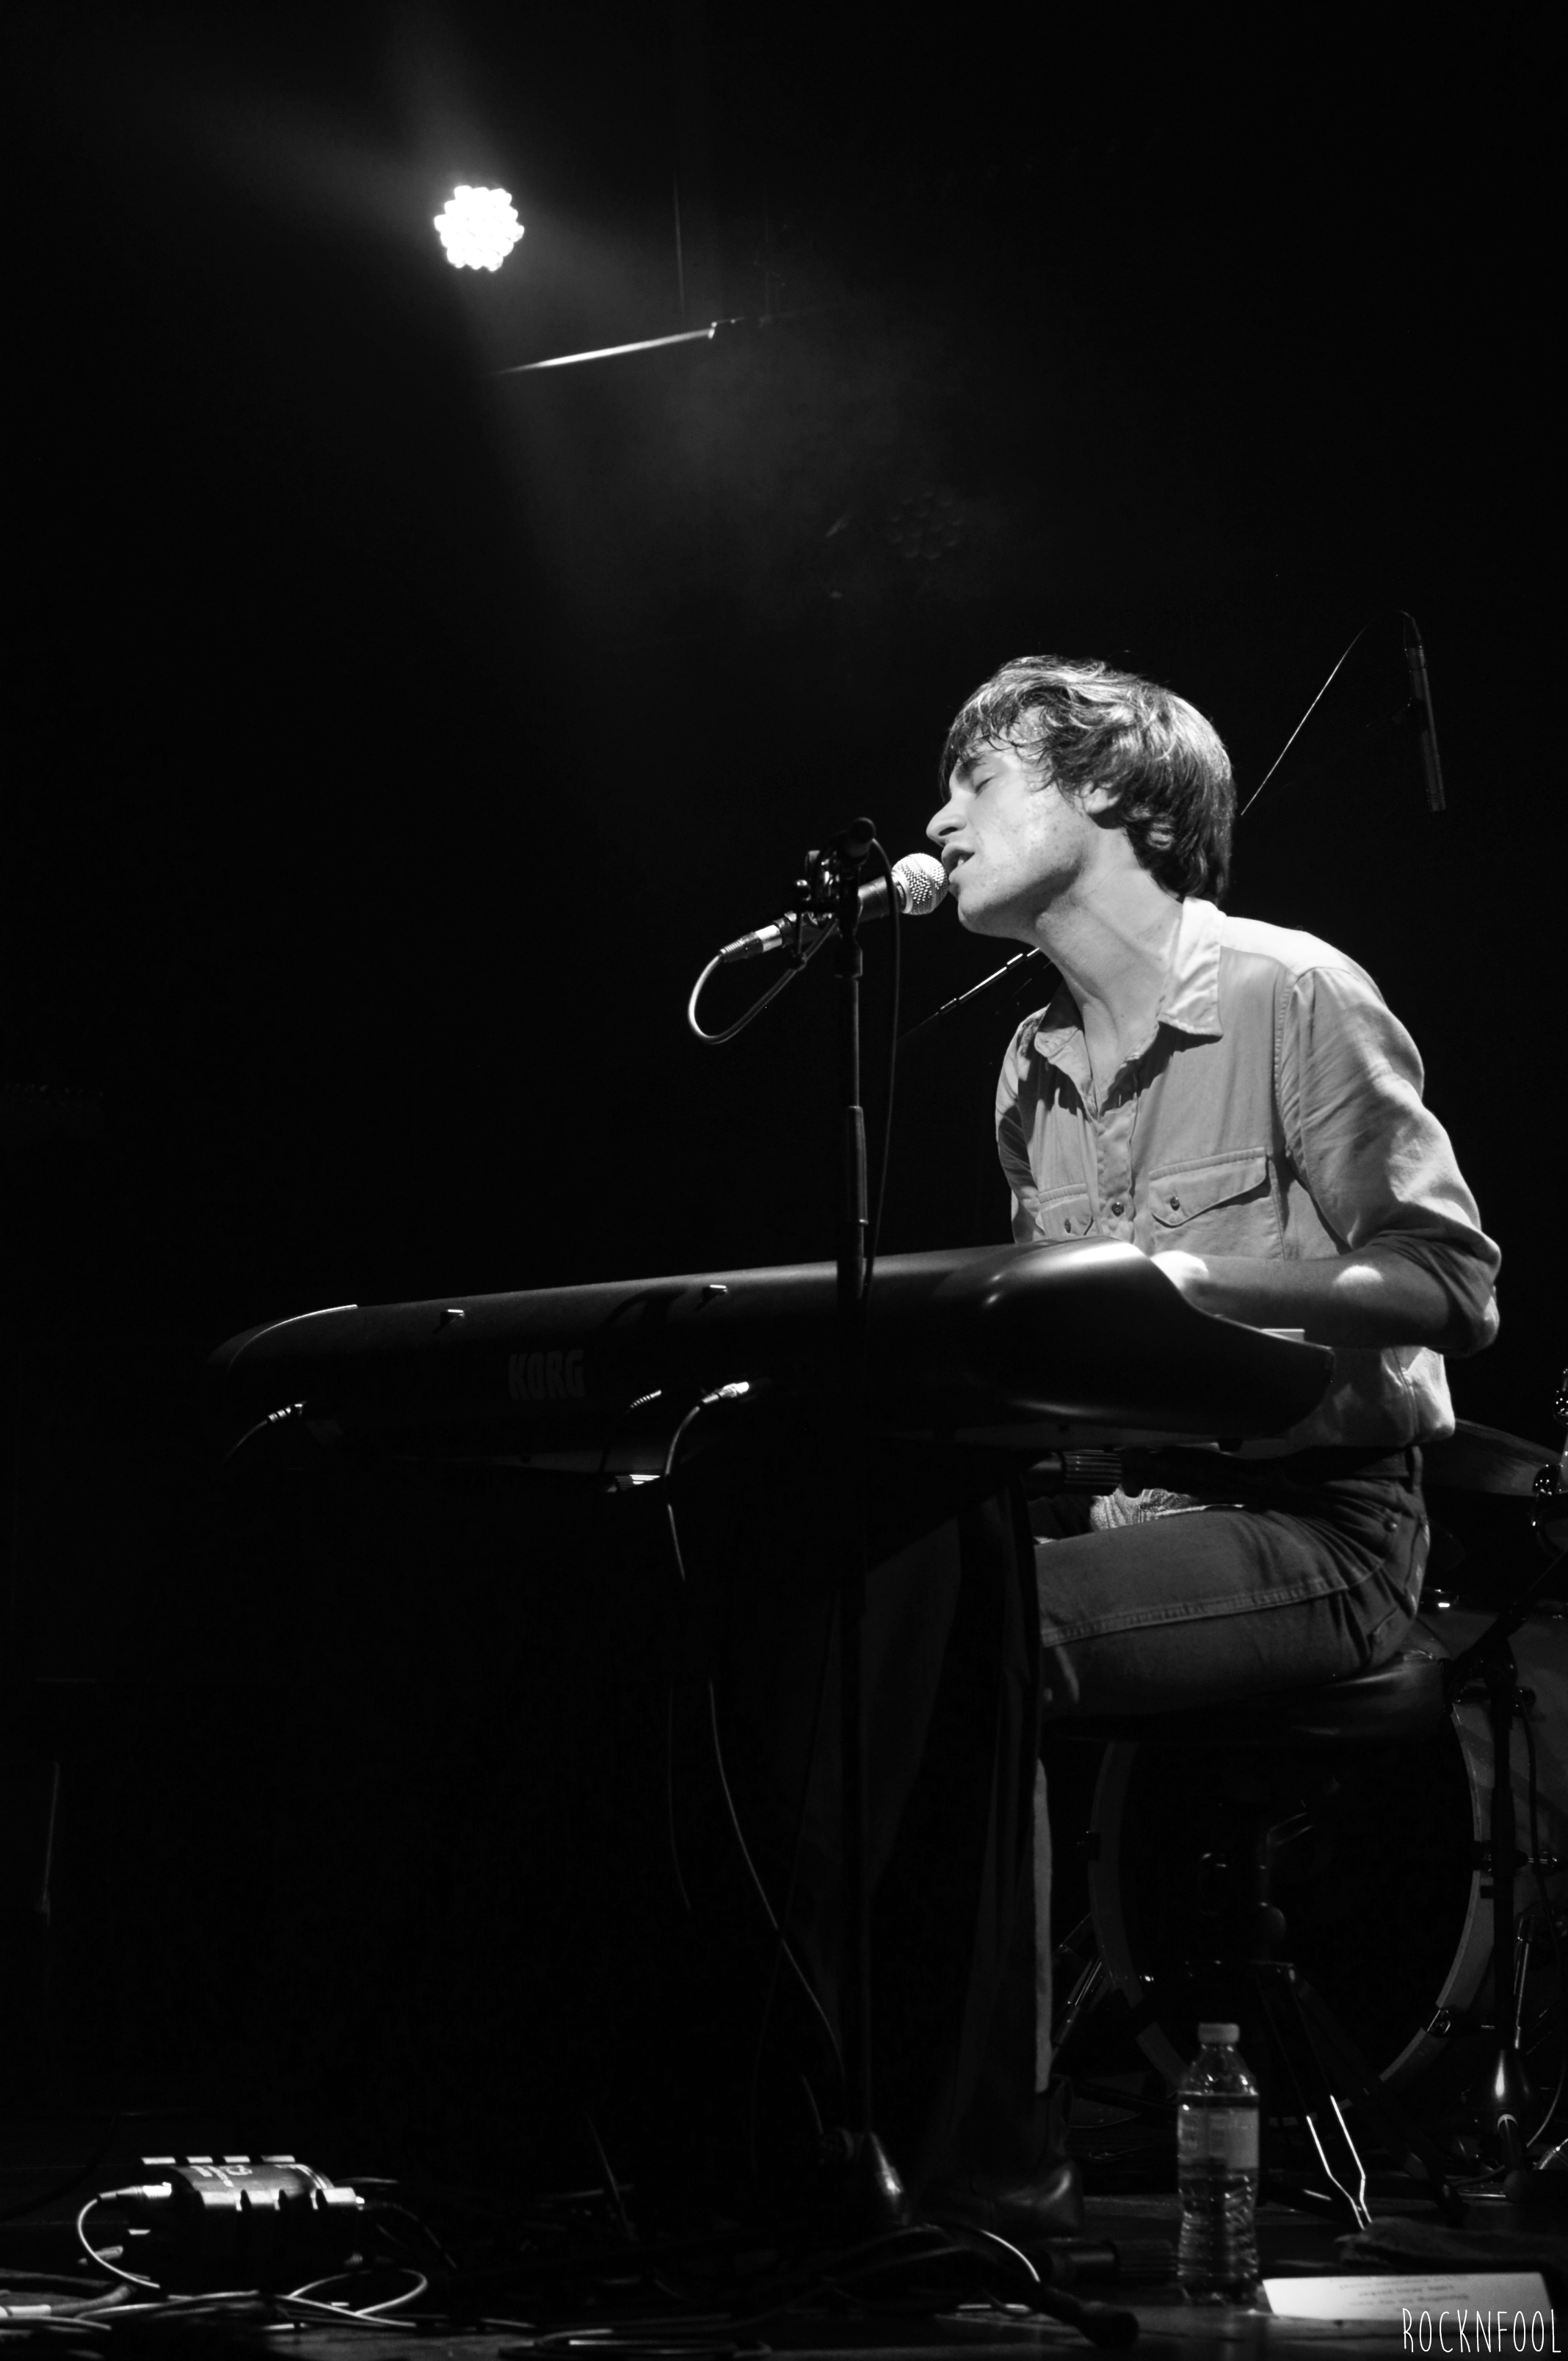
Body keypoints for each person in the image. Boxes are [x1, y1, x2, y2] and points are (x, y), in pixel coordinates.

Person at [915, 652, 1500, 2241]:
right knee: (871, 1600)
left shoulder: (1288, 992)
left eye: (977, 779)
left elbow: (1452, 1287)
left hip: (1323, 1529)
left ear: (1109, 789)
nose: (940, 820)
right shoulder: (1028, 1066)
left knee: (982, 1632)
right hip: (1127, 1516)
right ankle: (842, 2108)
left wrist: (1181, 1285)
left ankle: (988, 2157)